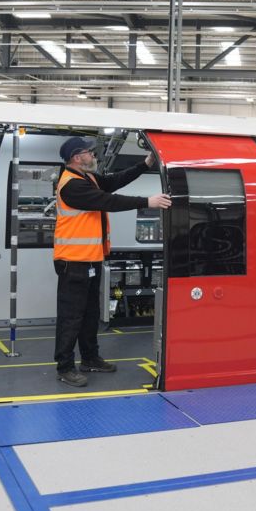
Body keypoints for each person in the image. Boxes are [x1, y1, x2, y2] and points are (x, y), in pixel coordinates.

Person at [53, 136, 171, 387]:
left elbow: (115, 182)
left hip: (90, 261)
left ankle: (90, 358)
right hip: (73, 263)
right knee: (71, 318)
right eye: (90, 153)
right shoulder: (71, 186)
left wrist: (145, 164)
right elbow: (109, 201)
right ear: (76, 157)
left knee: (90, 315)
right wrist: (146, 202)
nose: (94, 156)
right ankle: (64, 367)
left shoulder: (89, 178)